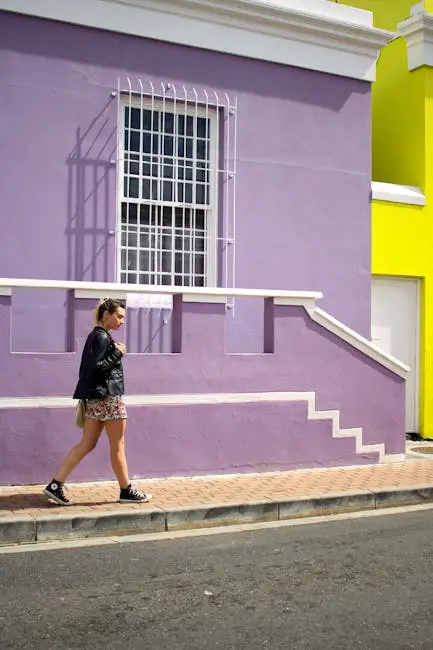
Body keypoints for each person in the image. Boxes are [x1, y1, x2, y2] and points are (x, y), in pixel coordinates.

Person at [44, 297, 151, 506]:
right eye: (119, 316)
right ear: (106, 315)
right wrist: (118, 353)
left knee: (87, 443)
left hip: (95, 399)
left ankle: (55, 485)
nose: (122, 321)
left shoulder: (96, 336)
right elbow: (95, 369)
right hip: (108, 398)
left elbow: (88, 369)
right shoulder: (102, 338)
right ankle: (126, 490)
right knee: (117, 446)